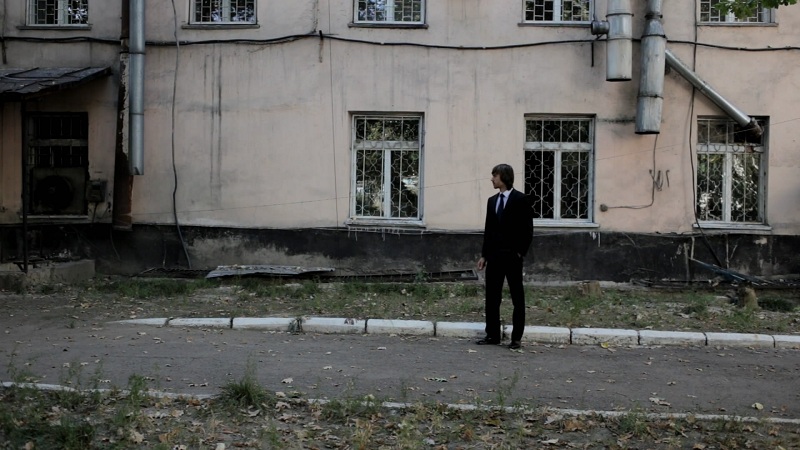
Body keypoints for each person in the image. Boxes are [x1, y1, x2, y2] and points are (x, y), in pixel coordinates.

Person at [476, 164, 533, 349]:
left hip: (512, 257)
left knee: (517, 297)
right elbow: (489, 230)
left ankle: (516, 338)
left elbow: (527, 230)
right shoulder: (492, 201)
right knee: (492, 297)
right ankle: (492, 335)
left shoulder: (521, 199)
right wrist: (484, 255)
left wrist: (519, 252)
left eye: (495, 175)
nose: (492, 179)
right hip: (494, 257)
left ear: (504, 177)